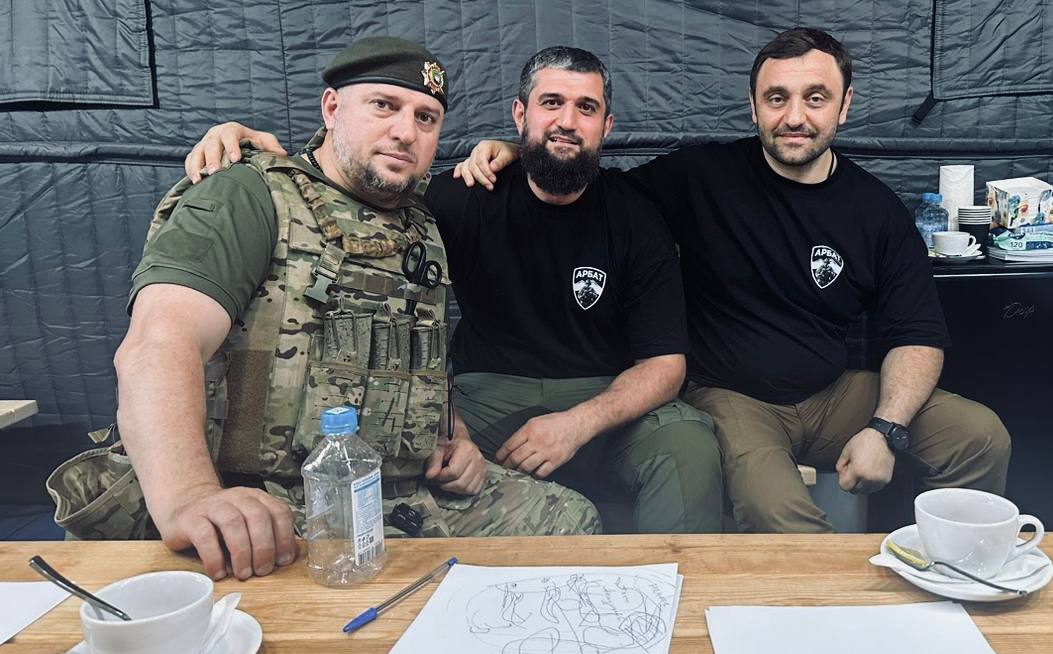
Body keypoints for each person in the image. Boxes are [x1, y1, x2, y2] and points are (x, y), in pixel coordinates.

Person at [47, 37, 600, 581]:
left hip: (390, 491)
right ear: (332, 108)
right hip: (260, 496)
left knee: (568, 524)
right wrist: (191, 494)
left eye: (426, 118)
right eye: (383, 106)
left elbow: (420, 359)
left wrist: (454, 436)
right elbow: (159, 344)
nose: (405, 131)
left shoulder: (423, 221)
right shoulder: (248, 196)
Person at [452, 28, 1012, 533]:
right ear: (753, 106)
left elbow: (917, 334)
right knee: (777, 512)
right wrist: (521, 152)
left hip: (831, 392)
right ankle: (826, 607)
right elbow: (587, 186)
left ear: (844, 106)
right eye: (777, 98)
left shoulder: (877, 209)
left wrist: (886, 429)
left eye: (816, 98)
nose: (795, 116)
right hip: (731, 395)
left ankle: (950, 569)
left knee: (980, 436)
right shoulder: (701, 176)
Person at [182, 46, 724, 535]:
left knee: (688, 441)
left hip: (602, 391)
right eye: (551, 103)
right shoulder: (460, 196)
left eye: (585, 108)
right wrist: (243, 145)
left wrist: (576, 424)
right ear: (520, 115)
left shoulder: (637, 213)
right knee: (416, 452)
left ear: (607, 126)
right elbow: (351, 183)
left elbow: (665, 364)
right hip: (485, 393)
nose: (566, 121)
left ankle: (670, 593)